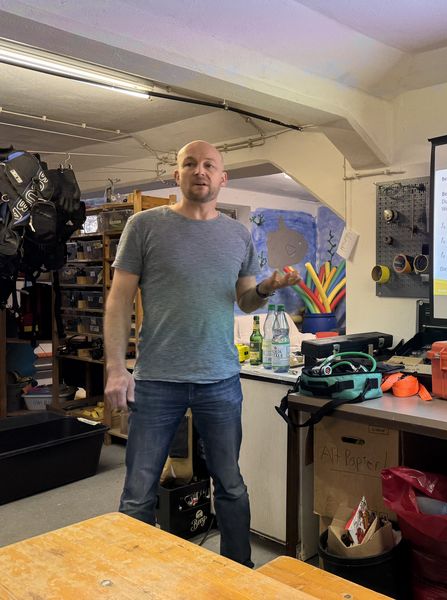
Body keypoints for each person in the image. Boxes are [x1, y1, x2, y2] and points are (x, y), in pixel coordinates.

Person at [104, 140, 300, 566]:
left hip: (220, 379)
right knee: (137, 492)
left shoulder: (238, 234)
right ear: (176, 175)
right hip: (157, 380)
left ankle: (238, 575)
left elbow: (245, 299)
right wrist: (116, 368)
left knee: (230, 484)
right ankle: (132, 581)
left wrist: (267, 287)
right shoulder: (144, 226)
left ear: (222, 178)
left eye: (210, 165)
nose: (200, 171)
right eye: (190, 163)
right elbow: (118, 300)